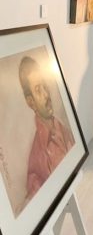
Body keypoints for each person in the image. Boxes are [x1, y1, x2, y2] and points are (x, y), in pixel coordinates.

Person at [19, 56, 75, 200]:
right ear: (30, 102)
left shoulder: (63, 129)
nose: (46, 94)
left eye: (45, 85)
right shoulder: (36, 163)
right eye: (38, 90)